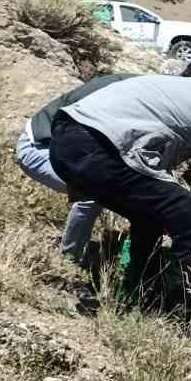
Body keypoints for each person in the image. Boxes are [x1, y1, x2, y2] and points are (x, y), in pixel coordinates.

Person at [48, 51, 191, 319]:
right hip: (95, 143)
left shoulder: (189, 92)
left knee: (152, 212)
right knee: (182, 207)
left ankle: (137, 298)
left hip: (64, 142)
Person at [13, 72, 134, 265]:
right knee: (93, 192)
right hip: (38, 147)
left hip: (62, 148)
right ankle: (68, 262)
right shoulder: (129, 93)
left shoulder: (139, 88)